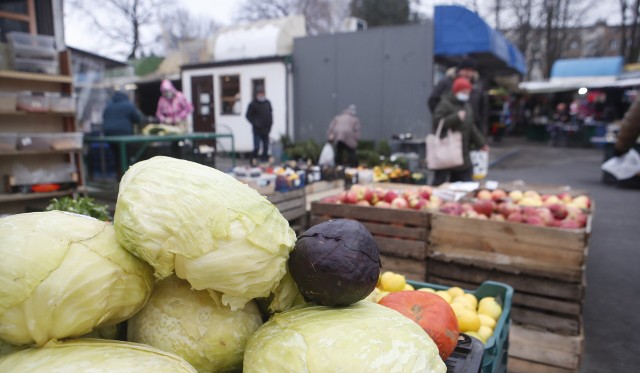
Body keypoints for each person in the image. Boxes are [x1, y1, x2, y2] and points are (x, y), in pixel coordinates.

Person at [431, 77, 489, 186]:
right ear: (456, 91)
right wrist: (455, 118)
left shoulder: (467, 106)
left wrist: (482, 143)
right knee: (439, 184)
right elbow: (437, 122)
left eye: (468, 92)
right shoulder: (445, 103)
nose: (466, 94)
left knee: (465, 184)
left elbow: (471, 127)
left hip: (462, 153)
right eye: (464, 92)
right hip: (446, 151)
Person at [428, 58, 487, 134]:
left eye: (471, 71)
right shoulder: (446, 82)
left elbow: (483, 109)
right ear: (459, 70)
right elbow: (432, 100)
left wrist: (481, 130)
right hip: (448, 130)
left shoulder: (477, 86)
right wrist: (445, 118)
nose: (468, 73)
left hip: (469, 129)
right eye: (466, 70)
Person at [102, 91, 144, 178]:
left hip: (109, 135)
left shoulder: (109, 106)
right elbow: (138, 119)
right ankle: (127, 176)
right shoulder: (128, 105)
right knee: (126, 156)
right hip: (124, 135)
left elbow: (104, 118)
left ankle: (119, 176)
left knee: (117, 156)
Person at [245, 89, 273, 164]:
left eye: (262, 93)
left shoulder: (267, 103)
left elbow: (270, 114)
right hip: (257, 130)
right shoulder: (253, 104)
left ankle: (264, 161)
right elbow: (248, 115)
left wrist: (270, 124)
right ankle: (253, 161)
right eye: (259, 93)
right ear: (257, 94)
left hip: (266, 129)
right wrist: (255, 123)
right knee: (257, 147)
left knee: (266, 147)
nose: (261, 95)